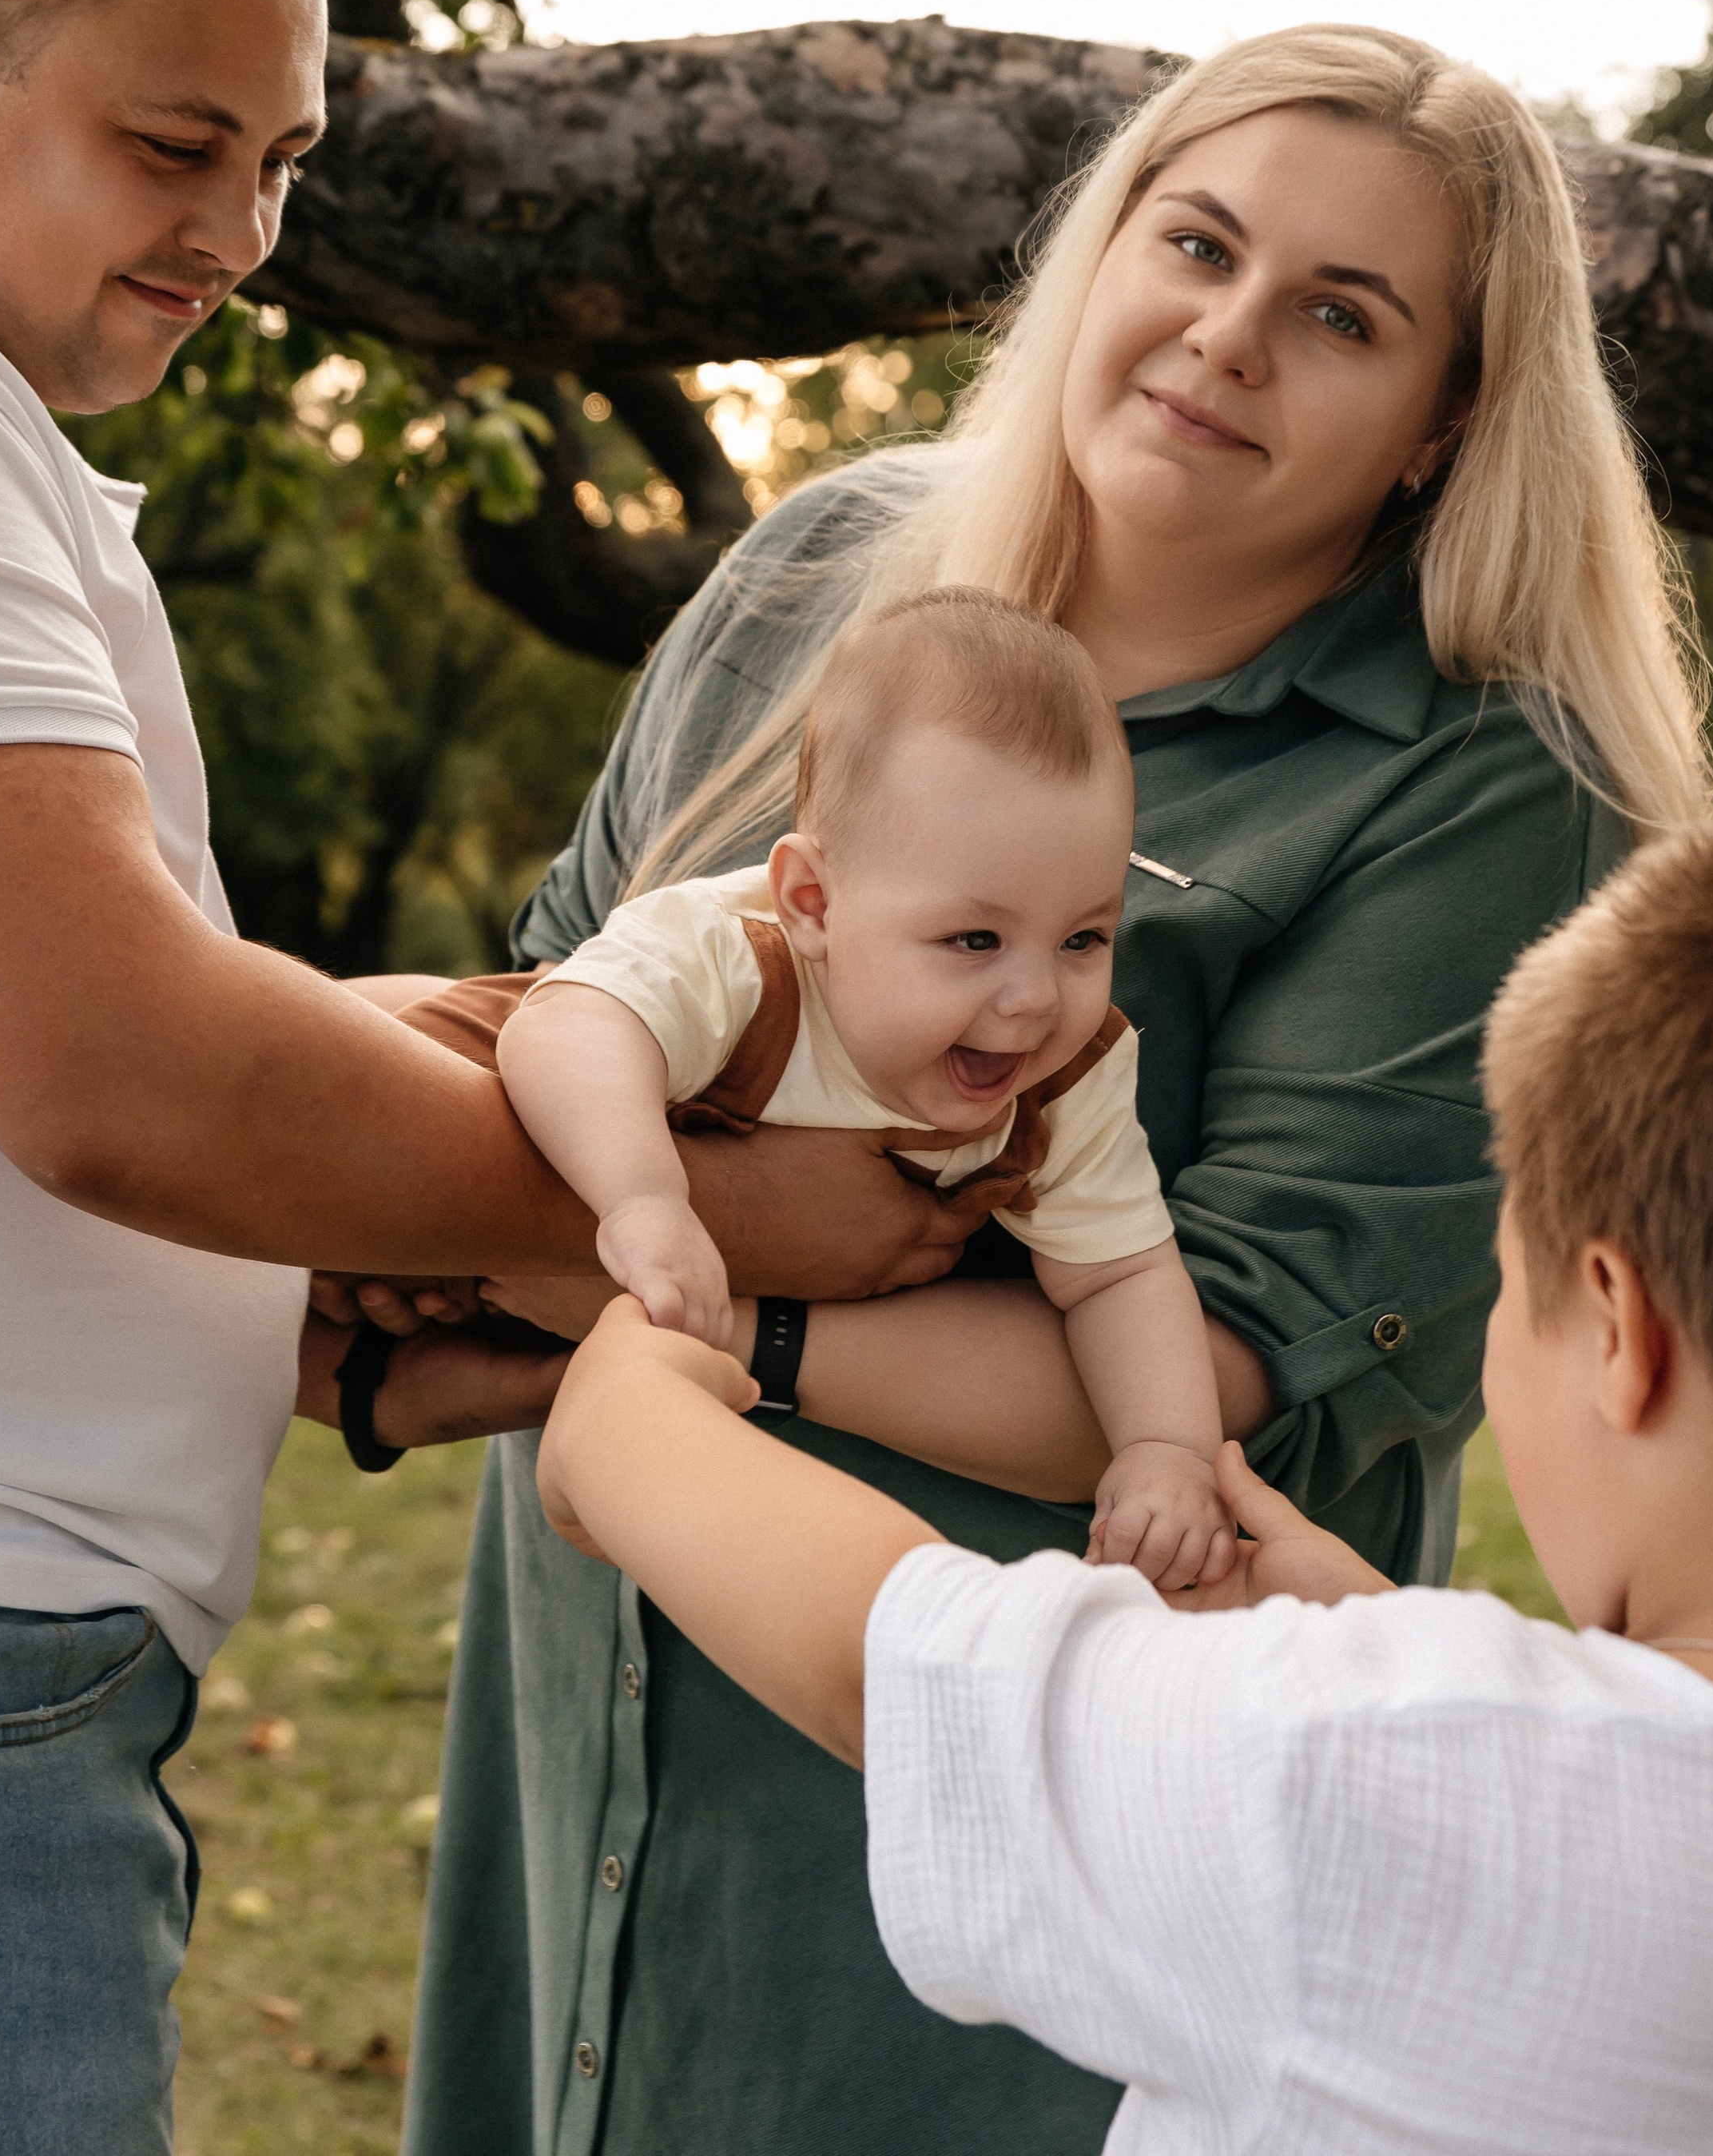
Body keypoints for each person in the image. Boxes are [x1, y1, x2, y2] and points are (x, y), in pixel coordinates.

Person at [0, 0, 972, 2156]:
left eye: (285, 162)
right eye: (178, 142)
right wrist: (696, 1215)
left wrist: (357, 1265)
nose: (243, 230)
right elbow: (120, 1071)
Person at [394, 23, 1713, 2156]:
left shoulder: (1492, 790)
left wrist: (697, 1316)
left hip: (1001, 1852)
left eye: (1341, 315)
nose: (1227, 333)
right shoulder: (814, 573)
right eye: (1194, 242)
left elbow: (1235, 1358)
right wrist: (544, 1274)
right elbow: (534, 1010)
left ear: (1445, 423)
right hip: (591, 1709)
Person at [531, 782, 1713, 2155]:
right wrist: (1376, 1638)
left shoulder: (1374, 1776)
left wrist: (627, 1413)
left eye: (1515, 1292)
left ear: (1621, 1332)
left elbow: (897, 1669)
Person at [498, 591, 1232, 1589]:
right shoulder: (729, 956)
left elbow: (1119, 1273)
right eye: (974, 939)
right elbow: (557, 1030)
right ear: (813, 903)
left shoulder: (1067, 1076)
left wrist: (1166, 1451)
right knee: (390, 1043)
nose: (1032, 999)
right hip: (496, 1106)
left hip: (542, 1303)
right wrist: (646, 1199)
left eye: (1082, 939)